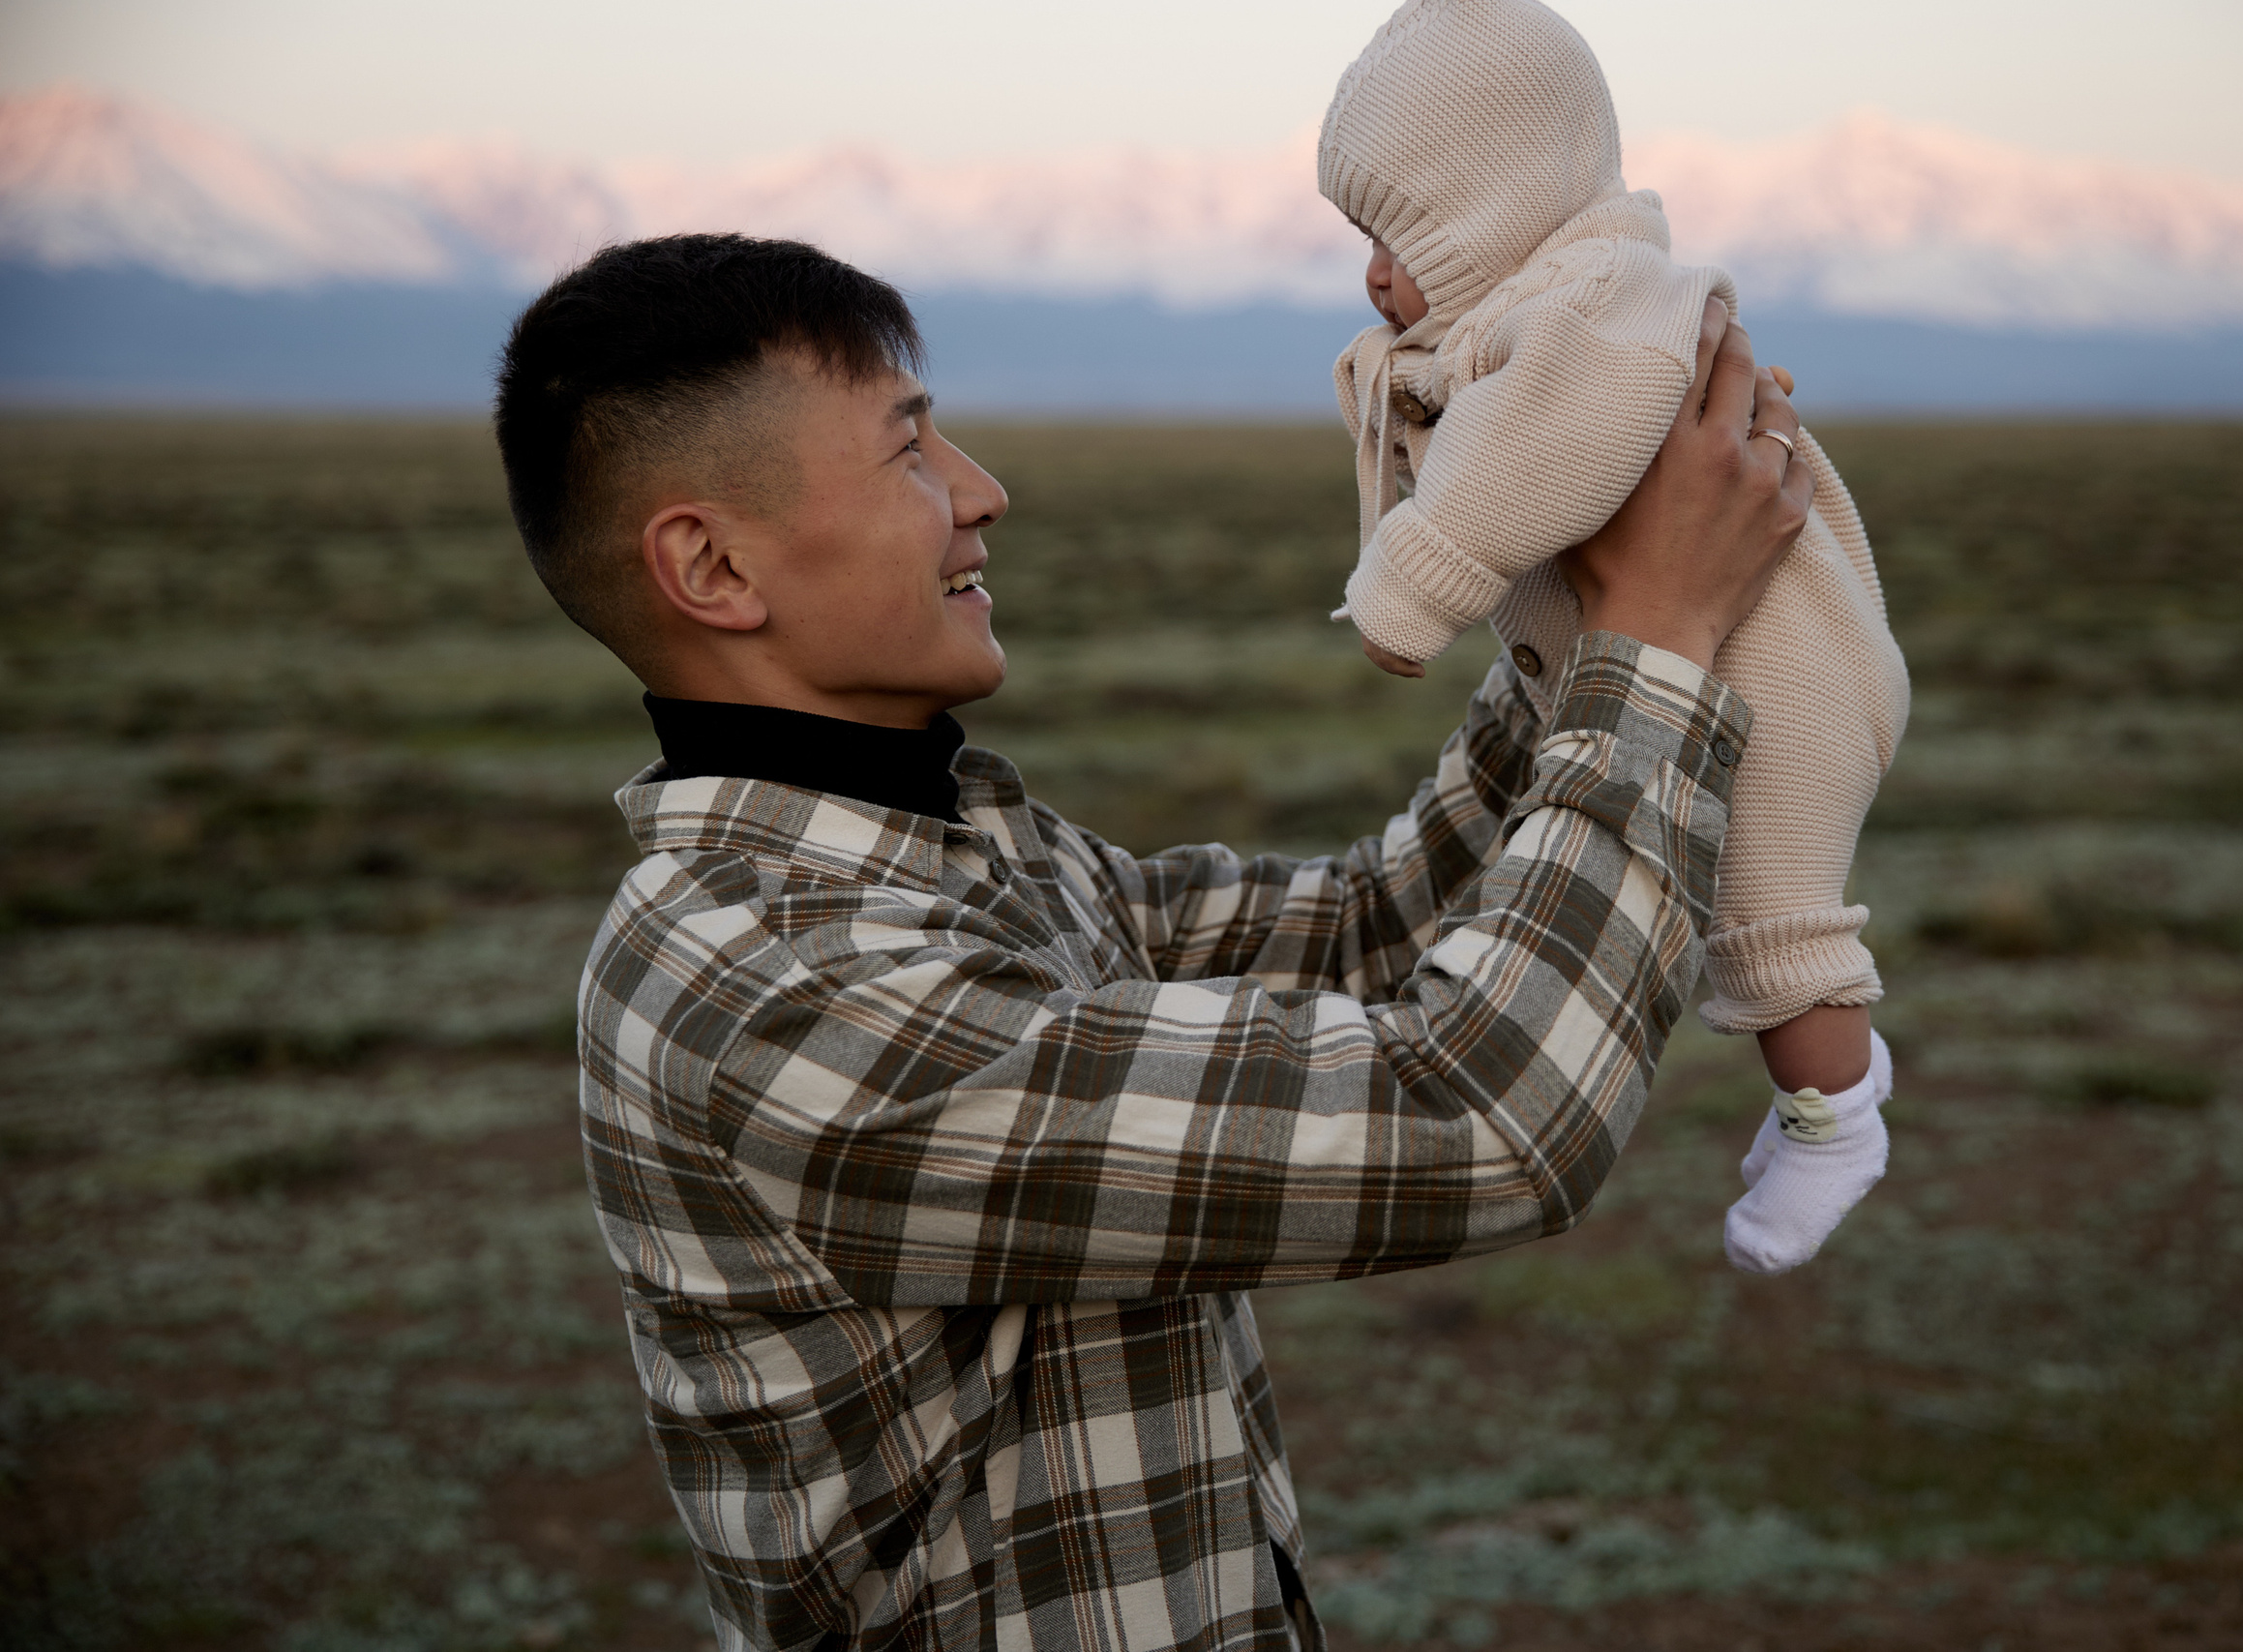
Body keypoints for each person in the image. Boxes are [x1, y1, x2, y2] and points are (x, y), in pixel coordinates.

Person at [493, 230, 1810, 1651]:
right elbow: (1480, 1119)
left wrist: (1568, 594)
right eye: (910, 454)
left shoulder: (961, 849)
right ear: (711, 563)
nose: (984, 497)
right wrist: (1661, 636)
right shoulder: (774, 989)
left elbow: (1364, 935)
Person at [1319, 0, 1909, 1274]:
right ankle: (1821, 1079)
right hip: (1710, 647)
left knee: (1769, 921)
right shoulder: (1539, 313)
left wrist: (1412, 582)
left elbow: (1538, 456)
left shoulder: (1598, 308)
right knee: (1716, 913)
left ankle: (1835, 1120)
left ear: (1498, 202)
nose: (1374, 273)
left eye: (1402, 231)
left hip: (1779, 673)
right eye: (1363, 237)